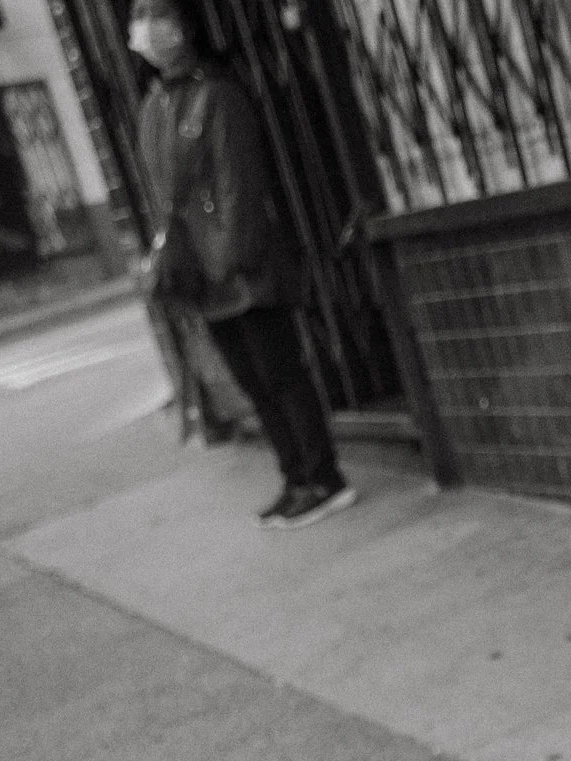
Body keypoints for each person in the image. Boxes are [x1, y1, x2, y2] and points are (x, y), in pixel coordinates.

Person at [128, 0, 356, 530]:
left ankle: (324, 478)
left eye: (158, 16)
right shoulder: (155, 105)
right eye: (138, 18)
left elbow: (239, 186)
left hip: (240, 266)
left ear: (184, 27)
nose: (146, 29)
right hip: (201, 273)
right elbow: (162, 197)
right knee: (253, 381)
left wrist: (231, 257)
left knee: (281, 373)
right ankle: (295, 477)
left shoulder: (217, 95)